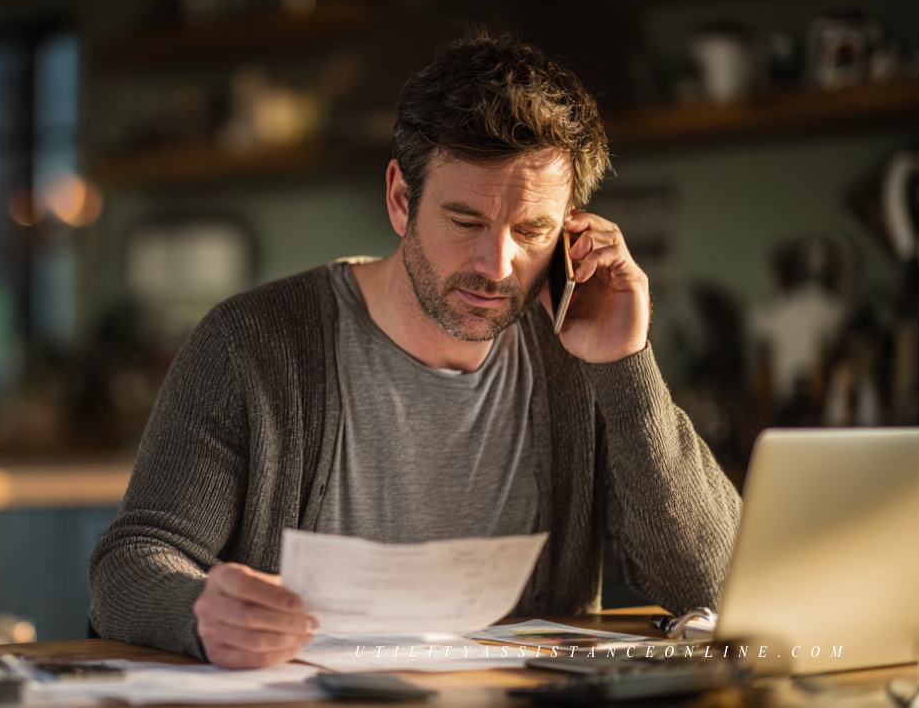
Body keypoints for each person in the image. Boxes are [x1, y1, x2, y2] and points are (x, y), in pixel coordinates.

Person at [88, 34, 741, 669]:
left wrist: (625, 366)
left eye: (532, 230)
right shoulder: (253, 343)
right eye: (466, 223)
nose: (497, 264)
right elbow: (133, 561)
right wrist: (198, 607)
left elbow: (715, 585)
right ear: (402, 200)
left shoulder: (580, 356)